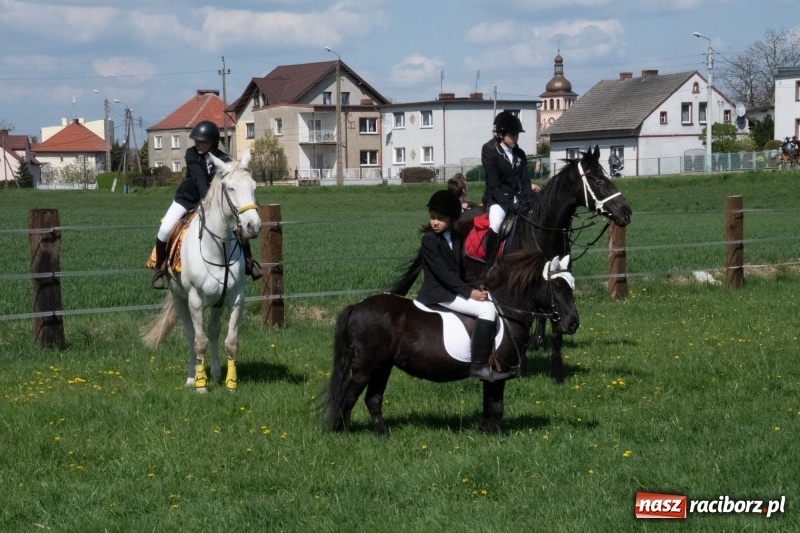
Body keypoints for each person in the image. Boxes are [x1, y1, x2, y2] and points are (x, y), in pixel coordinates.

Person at [150, 120, 261, 289]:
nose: (197, 144)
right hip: (186, 200)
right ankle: (159, 269)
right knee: (165, 230)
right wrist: (204, 197)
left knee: (236, 226)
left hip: (212, 203)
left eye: (202, 141)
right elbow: (198, 178)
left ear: (213, 142)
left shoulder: (224, 159)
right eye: (196, 140)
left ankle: (248, 262)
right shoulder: (191, 154)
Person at [416, 190, 508, 381]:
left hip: (451, 289)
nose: (435, 222)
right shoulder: (429, 240)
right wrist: (469, 293)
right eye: (433, 217)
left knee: (491, 301)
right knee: (487, 311)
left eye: (440, 218)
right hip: (438, 293)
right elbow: (444, 274)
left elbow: (462, 269)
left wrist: (479, 284)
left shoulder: (457, 237)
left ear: (452, 219)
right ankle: (478, 366)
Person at [481, 112, 535, 269]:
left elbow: (525, 180)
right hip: (499, 200)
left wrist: (528, 199)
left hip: (517, 197)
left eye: (517, 135)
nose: (515, 138)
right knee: (496, 224)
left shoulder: (520, 154)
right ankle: (489, 264)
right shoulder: (493, 155)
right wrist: (509, 204)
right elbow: (494, 186)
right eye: (512, 135)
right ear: (501, 135)